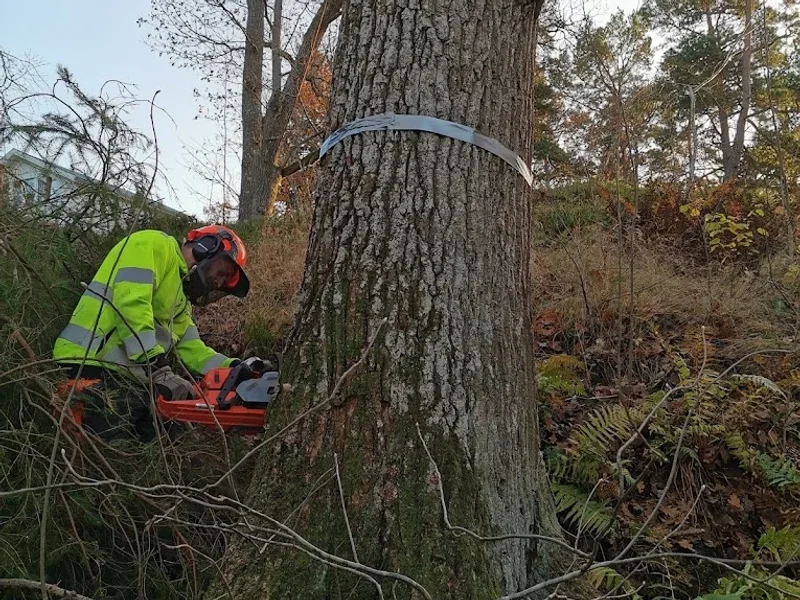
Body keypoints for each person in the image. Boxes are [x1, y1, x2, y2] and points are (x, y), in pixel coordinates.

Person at [53, 225, 268, 441]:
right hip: (89, 364)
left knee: (170, 441)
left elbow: (193, 349)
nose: (219, 282)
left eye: (224, 282)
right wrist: (158, 368)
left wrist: (234, 368)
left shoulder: (182, 303)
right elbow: (131, 304)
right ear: (206, 247)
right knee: (108, 451)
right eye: (222, 273)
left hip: (128, 379)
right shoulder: (155, 245)